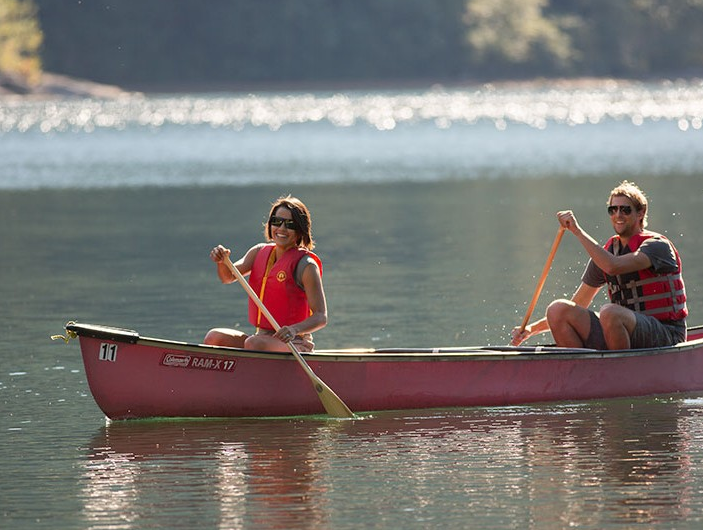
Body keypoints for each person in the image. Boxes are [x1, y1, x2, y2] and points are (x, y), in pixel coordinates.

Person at [511, 180, 687, 350]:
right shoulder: (607, 252)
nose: (618, 215)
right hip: (623, 332)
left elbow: (613, 266)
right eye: (613, 209)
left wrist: (577, 231)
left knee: (609, 312)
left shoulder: (657, 246)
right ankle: (581, 372)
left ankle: (620, 371)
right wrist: (531, 330)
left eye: (625, 210)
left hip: (666, 334)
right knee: (558, 309)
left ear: (640, 213)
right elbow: (579, 303)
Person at [204, 196, 327, 352]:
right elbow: (227, 277)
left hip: (295, 342)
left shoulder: (307, 265)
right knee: (213, 337)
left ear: (300, 230)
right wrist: (221, 261)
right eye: (277, 222)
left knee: (253, 344)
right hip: (260, 338)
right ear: (270, 225)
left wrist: (294, 330)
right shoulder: (258, 252)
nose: (281, 228)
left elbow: (321, 316)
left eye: (289, 224)